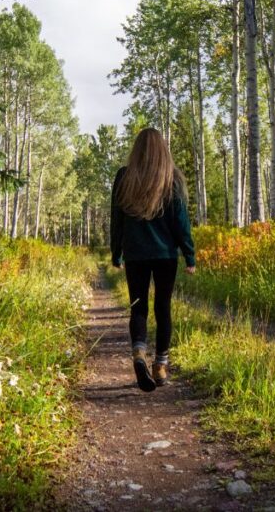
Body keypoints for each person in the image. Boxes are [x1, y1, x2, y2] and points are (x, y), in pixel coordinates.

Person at [110, 128, 196, 392]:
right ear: (163, 149)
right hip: (165, 255)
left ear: (137, 149)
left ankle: (138, 353)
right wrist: (189, 254)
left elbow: (116, 220)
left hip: (136, 254)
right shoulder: (172, 179)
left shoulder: (124, 176)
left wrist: (117, 252)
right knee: (163, 308)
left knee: (138, 306)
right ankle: (160, 365)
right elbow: (181, 222)